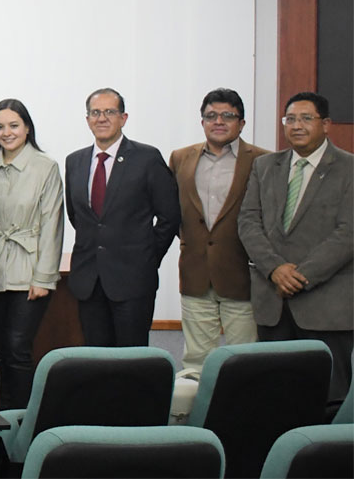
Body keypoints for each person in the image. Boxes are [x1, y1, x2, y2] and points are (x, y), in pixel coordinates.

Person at [240, 91, 352, 402]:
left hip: (327, 305)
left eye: (306, 118)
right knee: (275, 394)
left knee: (329, 397)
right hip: (273, 302)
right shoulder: (265, 166)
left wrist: (299, 276)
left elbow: (348, 234)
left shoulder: (349, 168)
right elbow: (248, 222)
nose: (297, 125)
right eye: (290, 119)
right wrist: (275, 269)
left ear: (326, 124)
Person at [65, 88, 180, 347]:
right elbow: (78, 217)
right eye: (95, 112)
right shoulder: (75, 161)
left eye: (110, 112)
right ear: (87, 120)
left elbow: (169, 216)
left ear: (123, 118)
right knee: (96, 360)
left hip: (133, 279)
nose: (102, 118)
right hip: (89, 280)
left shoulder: (147, 158)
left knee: (132, 362)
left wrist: (147, 257)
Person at [168, 88, 267, 372]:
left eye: (227, 115)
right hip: (195, 270)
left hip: (243, 273)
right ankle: (197, 415)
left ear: (242, 123)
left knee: (243, 358)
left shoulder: (262, 160)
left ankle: (241, 415)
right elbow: (172, 211)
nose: (218, 121)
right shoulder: (180, 158)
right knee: (196, 360)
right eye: (211, 115)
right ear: (202, 122)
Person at [0, 99, 63, 410]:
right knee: (0, 347)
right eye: (0, 127)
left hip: (29, 271)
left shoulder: (46, 167)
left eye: (14, 125)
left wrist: (44, 277)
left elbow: (52, 225)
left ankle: (24, 417)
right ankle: (2, 417)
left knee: (18, 346)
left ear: (27, 128)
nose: (7, 132)